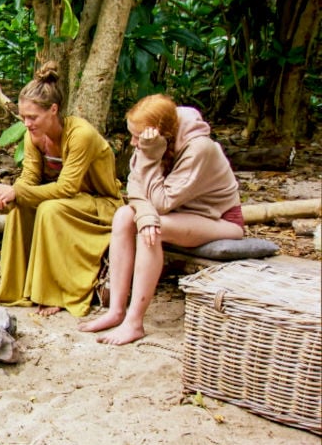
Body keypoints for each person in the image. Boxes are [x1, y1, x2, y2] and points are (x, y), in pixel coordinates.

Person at [79, 94, 243, 345]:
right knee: (124, 215)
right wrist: (143, 213)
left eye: (138, 137)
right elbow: (134, 186)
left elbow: (162, 204)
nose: (134, 143)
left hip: (218, 220)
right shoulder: (149, 144)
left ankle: (134, 322)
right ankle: (116, 311)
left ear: (161, 134)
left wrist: (151, 158)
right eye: (132, 135)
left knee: (154, 228)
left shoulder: (200, 148)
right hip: (176, 213)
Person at [0, 61, 123, 317]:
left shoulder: (80, 134)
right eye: (23, 116)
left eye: (33, 117)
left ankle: (55, 292)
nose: (26, 123)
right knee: (19, 207)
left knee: (50, 210)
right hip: (69, 199)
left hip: (101, 203)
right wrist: (8, 194)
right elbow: (29, 177)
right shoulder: (33, 136)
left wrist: (19, 192)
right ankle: (18, 288)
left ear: (53, 110)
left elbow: (68, 187)